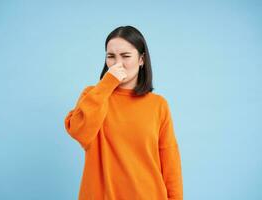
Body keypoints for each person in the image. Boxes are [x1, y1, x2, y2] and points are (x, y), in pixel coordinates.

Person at [64, 25, 183, 200]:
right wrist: (107, 84)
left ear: (141, 59)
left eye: (126, 56)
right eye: (111, 56)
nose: (117, 63)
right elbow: (78, 131)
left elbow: (170, 163)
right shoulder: (93, 96)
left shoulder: (158, 105)